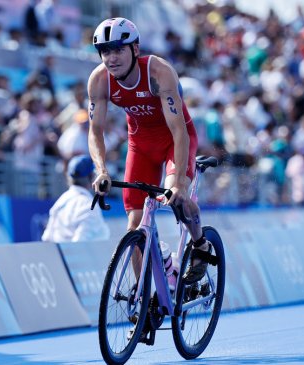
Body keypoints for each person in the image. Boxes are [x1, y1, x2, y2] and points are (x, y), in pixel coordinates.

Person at [86, 17, 210, 284]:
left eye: (118, 49)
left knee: (177, 196)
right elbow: (95, 131)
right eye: (105, 51)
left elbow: (178, 131)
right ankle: (141, 298)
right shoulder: (99, 81)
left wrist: (177, 183)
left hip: (174, 140)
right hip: (139, 144)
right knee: (134, 225)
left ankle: (200, 244)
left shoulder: (158, 72)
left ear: (135, 49)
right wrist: (102, 170)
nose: (111, 58)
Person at [41, 154, 110, 243]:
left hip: (59, 255)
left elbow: (46, 238)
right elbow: (80, 245)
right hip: (79, 255)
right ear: (92, 177)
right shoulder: (89, 205)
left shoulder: (60, 202)